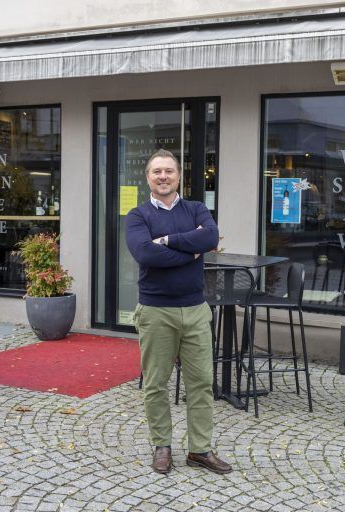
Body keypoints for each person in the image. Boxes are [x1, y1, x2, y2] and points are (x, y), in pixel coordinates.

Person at [125, 149, 231, 475]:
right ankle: (162, 446)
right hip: (156, 310)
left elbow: (210, 236)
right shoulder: (137, 215)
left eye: (169, 171)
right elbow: (147, 255)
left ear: (178, 176)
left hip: (195, 309)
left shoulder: (197, 208)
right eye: (157, 171)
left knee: (201, 383)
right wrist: (192, 251)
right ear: (147, 177)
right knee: (156, 383)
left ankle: (200, 449)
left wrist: (168, 240)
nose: (163, 177)